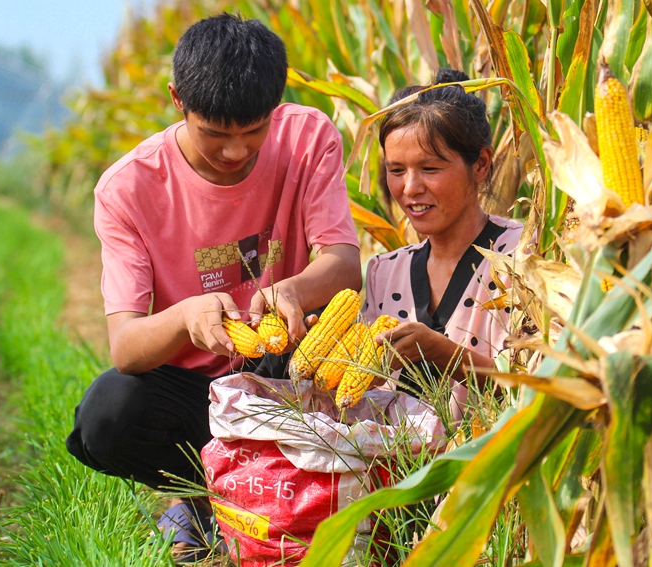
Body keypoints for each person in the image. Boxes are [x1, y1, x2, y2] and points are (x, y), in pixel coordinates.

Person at [64, 13, 361, 562]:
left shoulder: (308, 136)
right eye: (216, 134)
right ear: (178, 99)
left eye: (254, 133)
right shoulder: (127, 189)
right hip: (196, 396)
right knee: (106, 414)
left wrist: (294, 289)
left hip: (288, 373)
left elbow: (344, 264)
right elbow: (126, 346)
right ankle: (204, 499)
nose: (235, 153)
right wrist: (184, 318)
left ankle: (252, 505)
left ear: (277, 106)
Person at [360, 68, 522, 418]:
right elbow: (368, 391)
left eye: (430, 169)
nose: (410, 188)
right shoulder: (383, 273)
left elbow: (536, 388)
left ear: (480, 165)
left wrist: (443, 353)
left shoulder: (521, 259)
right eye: (397, 170)